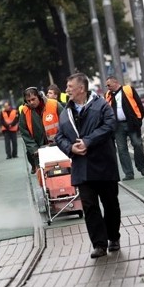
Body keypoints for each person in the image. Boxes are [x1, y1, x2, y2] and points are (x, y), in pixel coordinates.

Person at [55, 72, 122, 259]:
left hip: (104, 165)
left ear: (81, 89)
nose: (66, 90)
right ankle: (99, 245)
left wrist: (87, 141)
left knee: (110, 204)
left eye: (70, 86)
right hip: (82, 167)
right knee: (90, 206)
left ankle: (113, 237)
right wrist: (71, 149)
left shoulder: (101, 105)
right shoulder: (65, 112)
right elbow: (59, 136)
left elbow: (110, 125)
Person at [104, 75, 144, 180]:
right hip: (117, 126)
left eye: (109, 85)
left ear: (115, 82)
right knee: (122, 149)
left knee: (137, 144)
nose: (108, 87)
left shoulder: (128, 90)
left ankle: (141, 167)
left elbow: (139, 104)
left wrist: (139, 120)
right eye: (106, 86)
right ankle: (129, 173)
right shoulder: (108, 95)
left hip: (131, 123)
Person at [19, 87, 64, 174]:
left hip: (58, 146)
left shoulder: (54, 104)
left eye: (33, 99)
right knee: (44, 177)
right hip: (39, 150)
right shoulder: (25, 111)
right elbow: (24, 132)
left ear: (38, 96)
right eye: (28, 101)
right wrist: (34, 149)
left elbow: (66, 123)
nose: (31, 102)